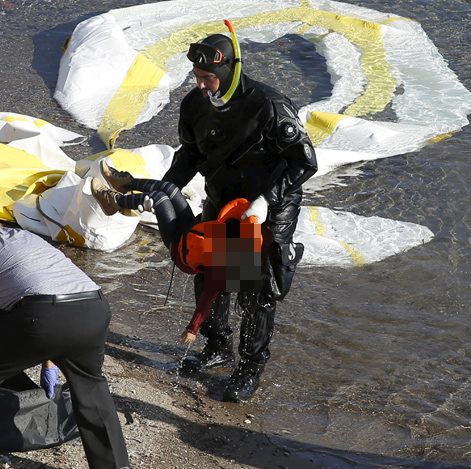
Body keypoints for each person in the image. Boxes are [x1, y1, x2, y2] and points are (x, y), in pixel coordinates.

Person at [101, 22, 317, 402]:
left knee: (256, 288)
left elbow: (305, 162)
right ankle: (217, 347)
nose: (201, 84)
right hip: (222, 199)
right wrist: (168, 189)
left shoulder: (270, 106)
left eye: (208, 78)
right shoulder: (194, 105)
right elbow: (191, 156)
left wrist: (265, 201)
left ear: (228, 71)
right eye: (197, 77)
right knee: (211, 271)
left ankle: (250, 365)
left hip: (269, 207)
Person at [0, 213, 132, 469]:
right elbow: (35, 289)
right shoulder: (23, 236)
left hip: (40, 316)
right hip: (93, 306)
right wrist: (50, 361)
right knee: (91, 385)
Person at [92, 167, 262, 345]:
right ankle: (125, 184)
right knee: (170, 188)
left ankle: (113, 202)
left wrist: (192, 329)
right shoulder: (241, 229)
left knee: (159, 199)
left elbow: (207, 299)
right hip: (190, 228)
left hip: (178, 245)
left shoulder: (228, 265)